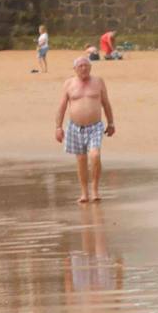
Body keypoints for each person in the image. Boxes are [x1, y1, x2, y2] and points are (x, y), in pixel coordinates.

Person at [55, 56, 117, 204]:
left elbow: (106, 104)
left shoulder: (98, 82)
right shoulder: (69, 84)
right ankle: (84, 192)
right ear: (75, 69)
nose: (84, 68)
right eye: (81, 66)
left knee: (95, 155)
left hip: (95, 126)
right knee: (81, 160)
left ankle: (95, 189)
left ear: (90, 67)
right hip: (75, 127)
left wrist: (111, 123)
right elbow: (62, 107)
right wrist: (58, 127)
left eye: (86, 66)